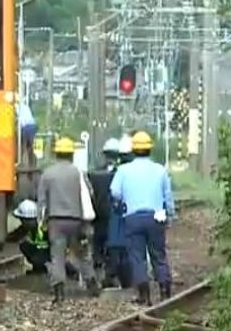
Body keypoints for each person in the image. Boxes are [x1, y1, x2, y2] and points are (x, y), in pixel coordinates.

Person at [109, 130, 175, 305]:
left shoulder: (123, 170)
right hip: (156, 217)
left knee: (137, 256)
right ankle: (164, 291)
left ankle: (144, 295)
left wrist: (122, 202)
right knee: (158, 255)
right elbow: (167, 197)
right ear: (150, 150)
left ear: (133, 150)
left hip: (133, 217)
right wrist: (170, 215)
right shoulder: (160, 170)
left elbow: (115, 192)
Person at [37, 136, 100, 304]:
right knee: (82, 253)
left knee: (57, 255)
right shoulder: (78, 173)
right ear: (71, 154)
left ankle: (59, 292)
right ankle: (92, 282)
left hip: (55, 221)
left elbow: (42, 202)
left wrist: (41, 223)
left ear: (56, 153)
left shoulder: (47, 174)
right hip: (76, 220)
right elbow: (89, 195)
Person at [88, 138, 122, 285]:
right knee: (114, 245)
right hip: (115, 215)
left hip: (98, 215)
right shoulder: (122, 173)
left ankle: (98, 270)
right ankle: (111, 274)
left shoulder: (94, 173)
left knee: (98, 244)